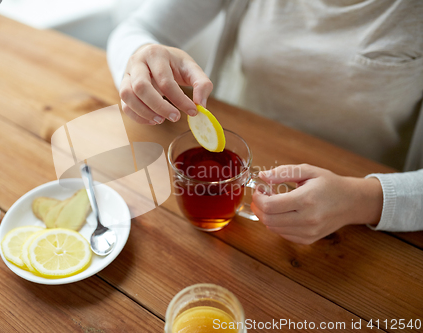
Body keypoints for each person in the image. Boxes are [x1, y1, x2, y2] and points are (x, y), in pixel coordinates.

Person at [107, 0, 423, 244]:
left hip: (363, 199)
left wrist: (364, 200)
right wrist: (140, 60)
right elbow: (135, 30)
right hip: (247, 140)